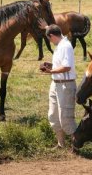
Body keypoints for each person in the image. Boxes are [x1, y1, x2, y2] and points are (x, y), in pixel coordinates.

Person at [39, 21, 77, 149]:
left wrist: (51, 71)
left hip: (65, 86)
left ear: (52, 36)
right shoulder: (60, 44)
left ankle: (76, 145)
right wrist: (51, 66)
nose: (50, 41)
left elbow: (67, 67)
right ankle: (61, 144)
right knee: (53, 115)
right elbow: (62, 64)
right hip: (56, 84)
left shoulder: (65, 46)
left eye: (49, 39)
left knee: (65, 117)